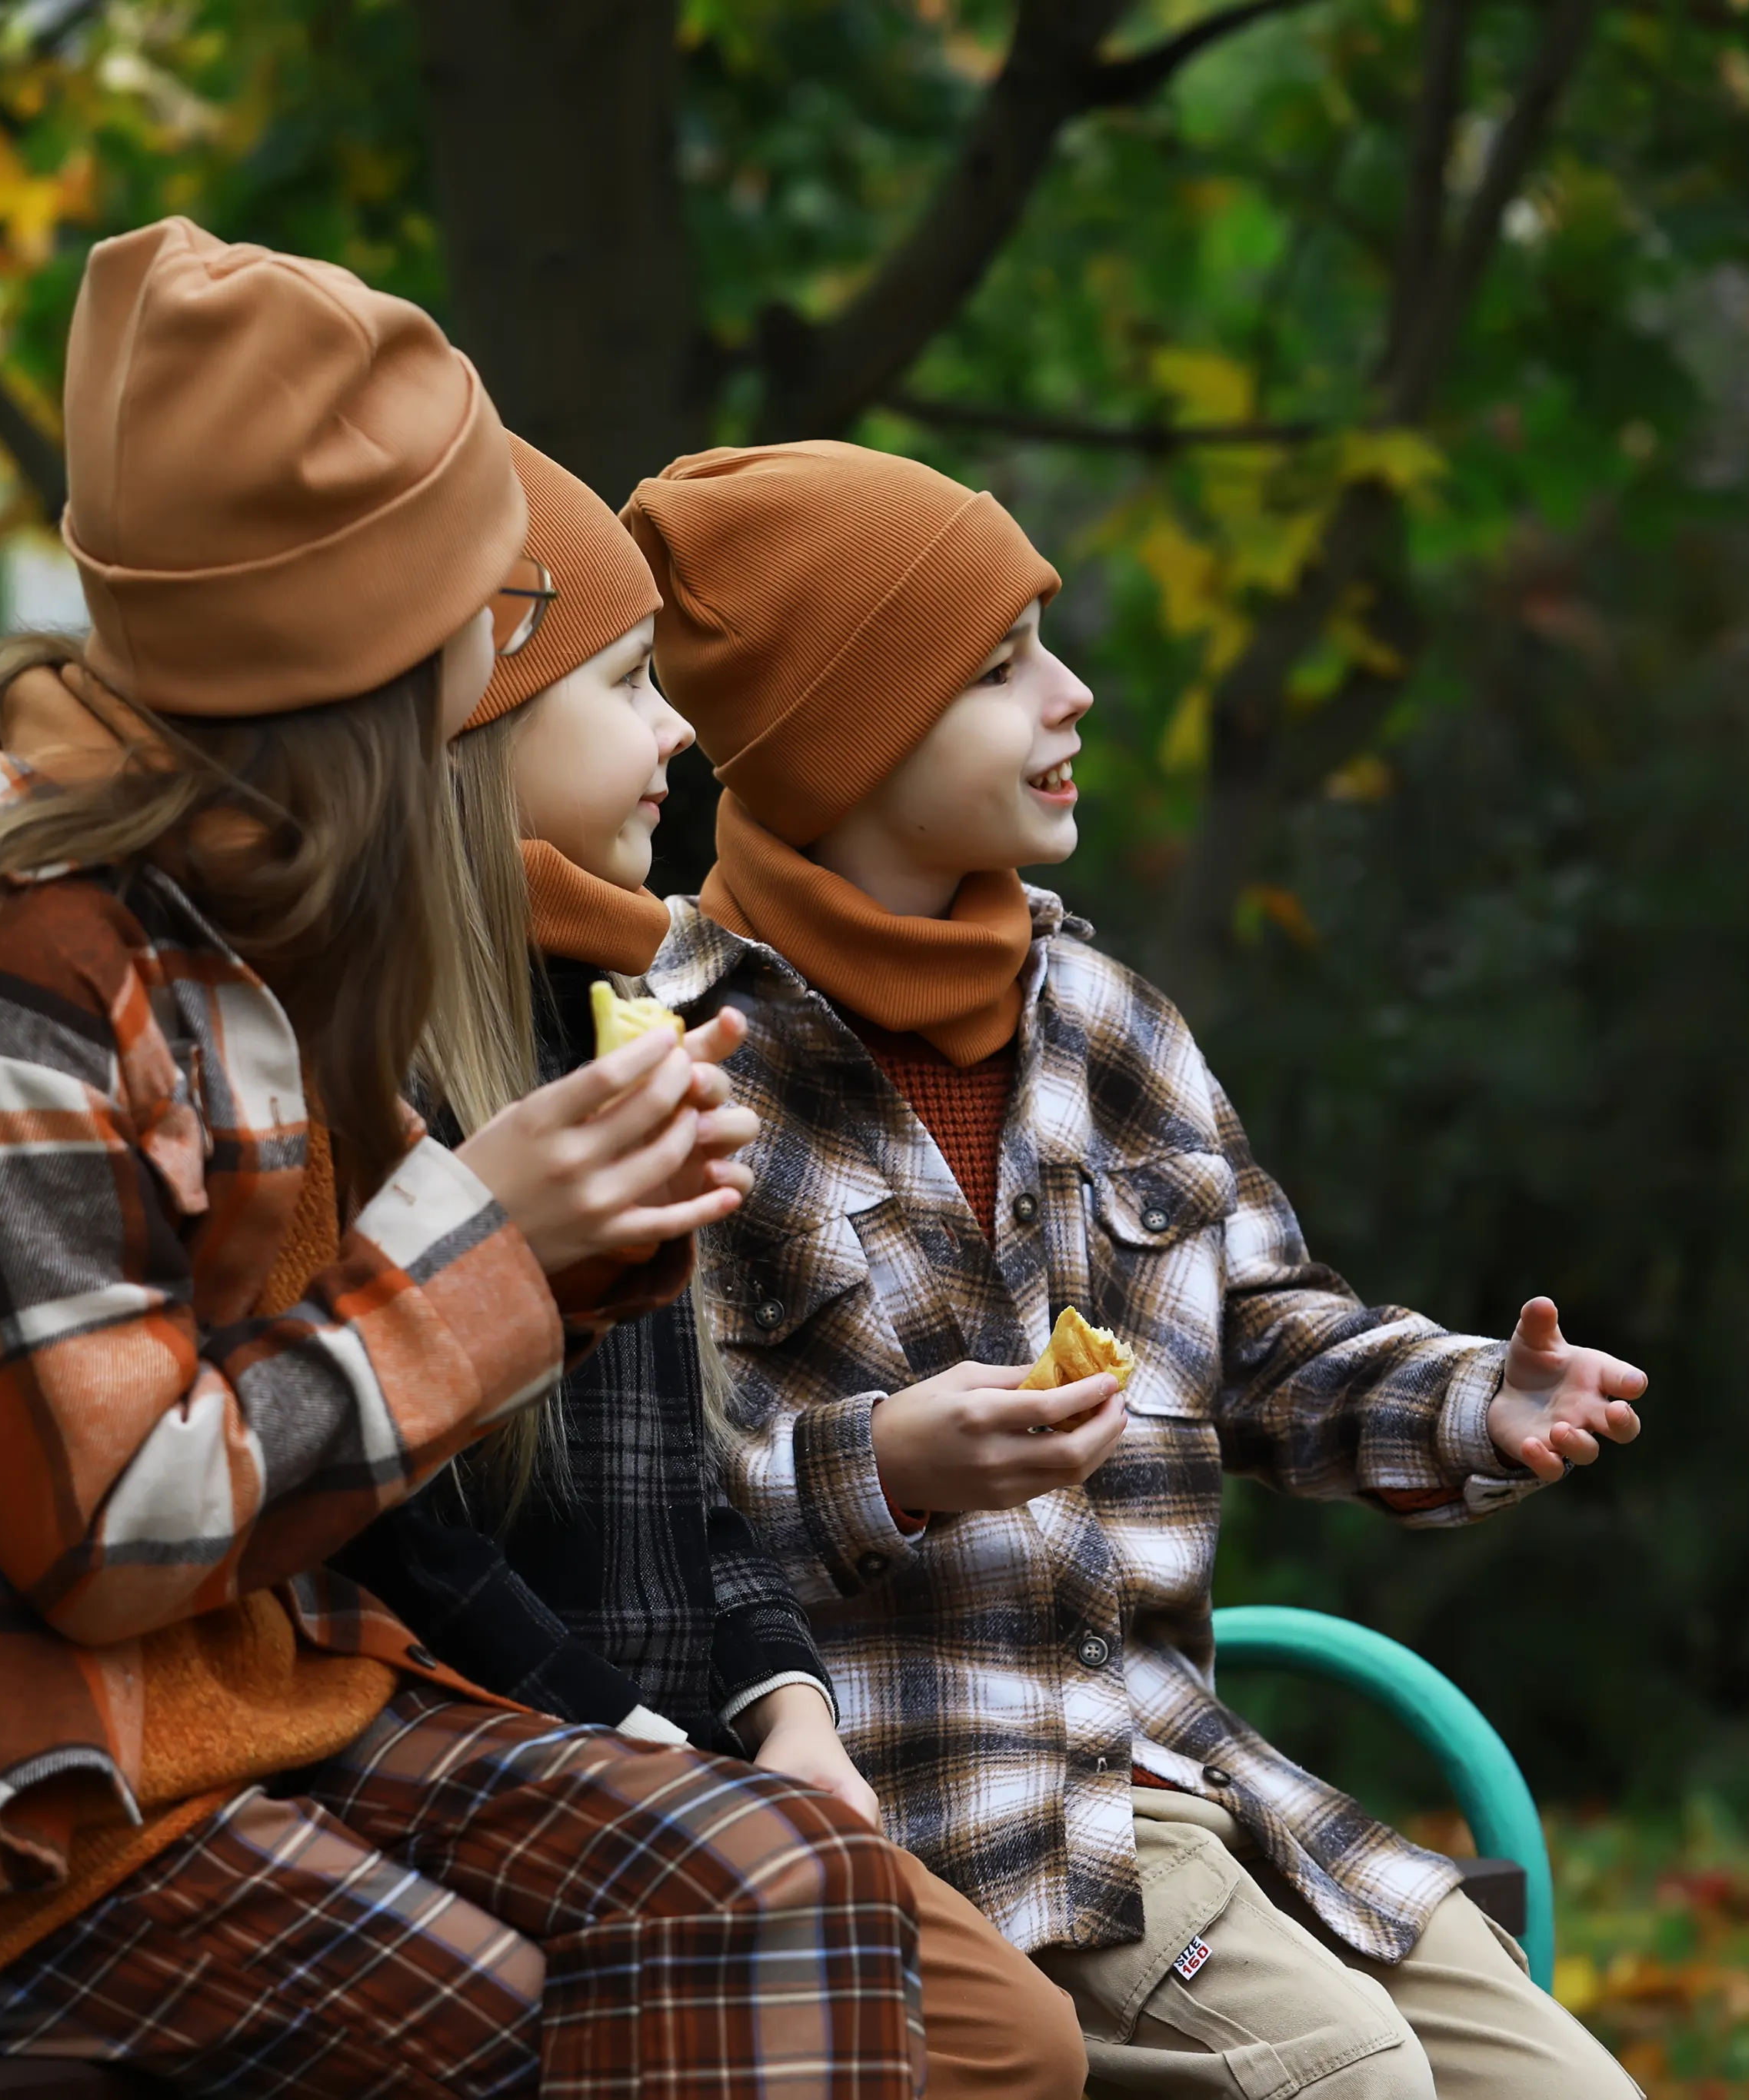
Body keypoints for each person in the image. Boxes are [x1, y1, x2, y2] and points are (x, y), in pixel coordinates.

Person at [0, 223, 925, 2098]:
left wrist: (586, 1236)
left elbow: (364, 1360)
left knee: (789, 1881)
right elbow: (111, 1532)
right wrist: (501, 1240)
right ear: (363, 650)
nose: (506, 656)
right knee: (518, 2036)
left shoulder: (252, 923)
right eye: (489, 613)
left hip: (255, 1708)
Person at [620, 439, 1653, 2099]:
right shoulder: (667, 1056)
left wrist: (1473, 1397)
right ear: (852, 731)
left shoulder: (1102, 1024)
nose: (1074, 692)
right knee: (1337, 2083)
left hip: (1178, 1769)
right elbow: (625, 1506)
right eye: (1000, 666)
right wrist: (878, 1469)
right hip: (930, 1806)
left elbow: (1266, 1340)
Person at [329, 433, 1085, 2100]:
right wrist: (640, 1732)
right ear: (479, 728)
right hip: (523, 1753)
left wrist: (787, 1710)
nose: (680, 733)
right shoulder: (372, 1068)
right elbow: (403, 1539)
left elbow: (689, 1485)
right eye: (623, 685)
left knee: (1009, 2047)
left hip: (710, 1754)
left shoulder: (632, 1024)